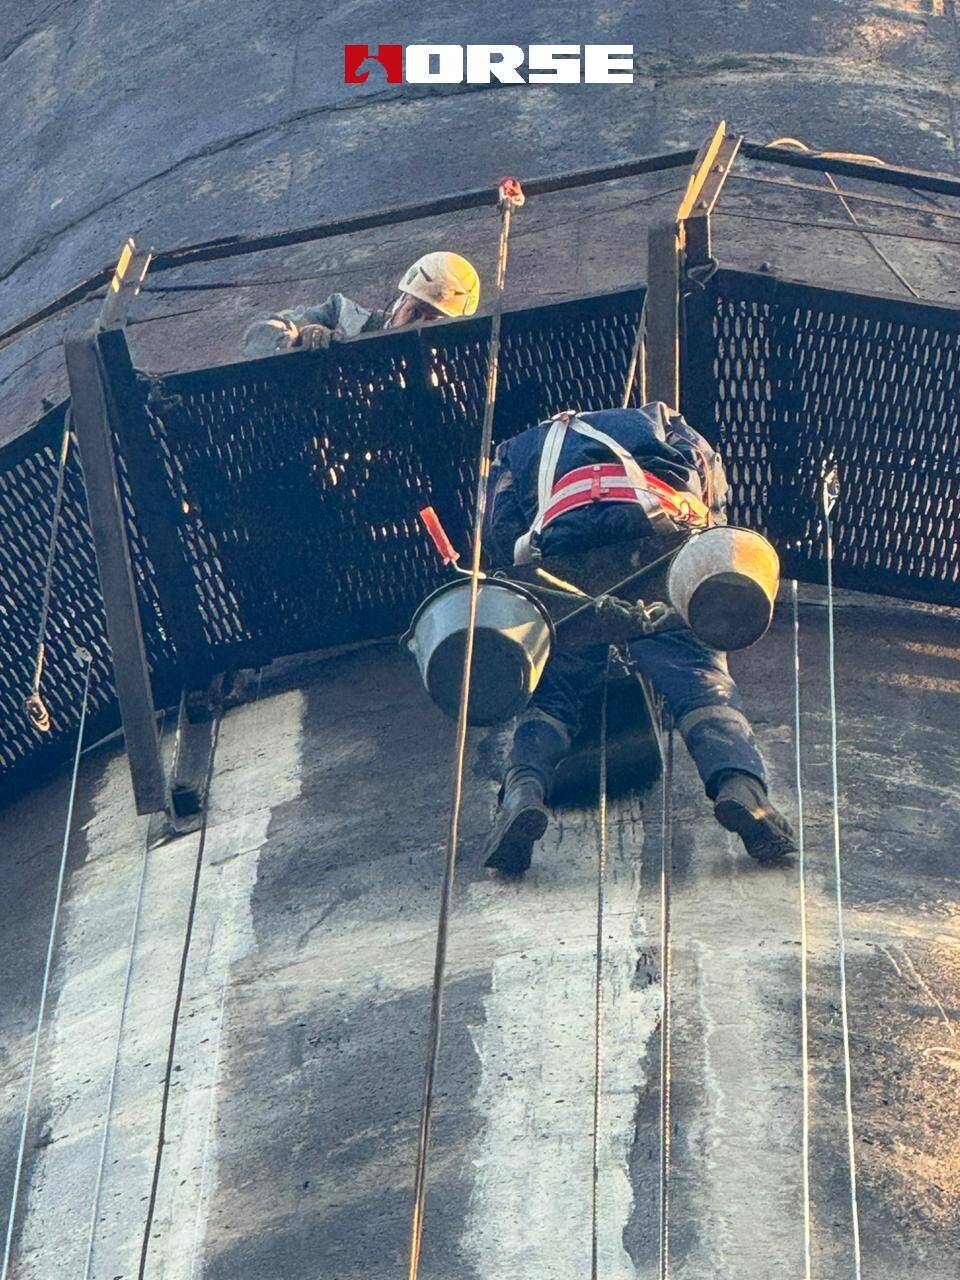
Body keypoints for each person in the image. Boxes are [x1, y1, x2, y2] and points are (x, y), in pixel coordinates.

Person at [482, 402, 798, 875]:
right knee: (698, 676)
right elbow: (706, 472)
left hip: (560, 552)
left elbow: (501, 526)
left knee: (552, 691)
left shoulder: (516, 448)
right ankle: (742, 787)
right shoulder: (659, 418)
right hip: (654, 530)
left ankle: (524, 790)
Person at [241, 251, 480, 356]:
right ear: (399, 303)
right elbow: (259, 335)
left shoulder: (450, 376)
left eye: (433, 322)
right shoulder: (340, 315)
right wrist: (295, 341)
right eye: (414, 311)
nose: (417, 325)